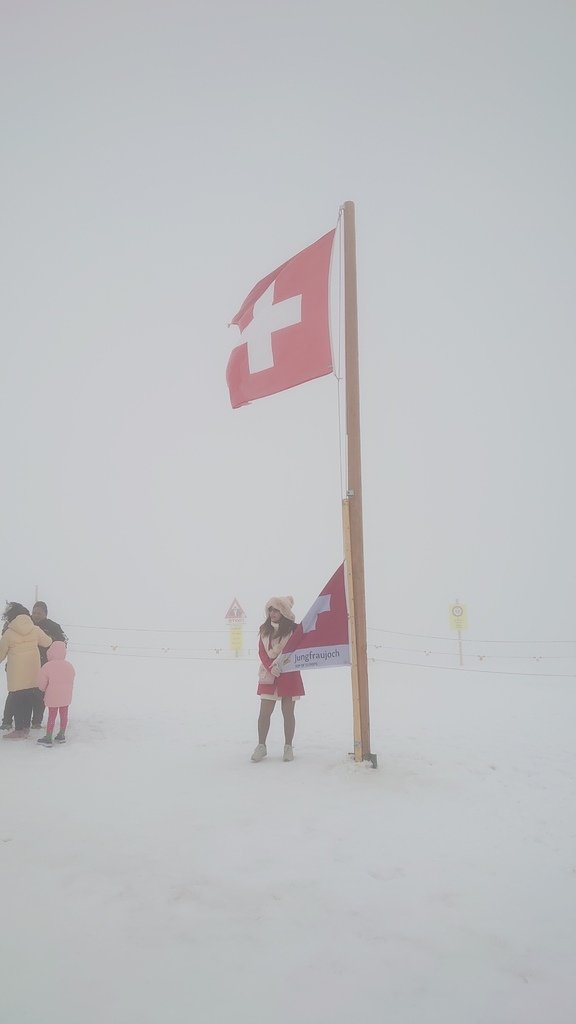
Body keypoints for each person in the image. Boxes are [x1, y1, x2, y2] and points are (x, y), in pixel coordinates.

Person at [251, 596, 304, 763]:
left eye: (276, 610)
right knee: (264, 713)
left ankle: (288, 747)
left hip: (289, 675)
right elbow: (261, 651)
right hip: (269, 676)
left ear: (284, 612)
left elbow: (298, 649)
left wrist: (283, 664)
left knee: (288, 713)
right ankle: (261, 746)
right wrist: (271, 667)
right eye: (270, 610)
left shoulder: (295, 630)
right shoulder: (264, 630)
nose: (272, 613)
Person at [1, 600, 67, 730]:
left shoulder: (52, 626)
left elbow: (60, 642)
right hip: (23, 666)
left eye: (39, 613)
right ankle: (8, 720)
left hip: (42, 666)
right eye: (34, 612)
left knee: (38, 695)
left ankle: (35, 721)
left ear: (46, 614)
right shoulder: (22, 624)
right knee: (15, 695)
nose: (36, 615)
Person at [36, 641, 76, 747]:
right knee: (64, 715)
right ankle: (61, 735)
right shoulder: (69, 666)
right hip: (66, 696)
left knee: (52, 716)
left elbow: (41, 684)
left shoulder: (47, 666)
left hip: (53, 696)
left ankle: (48, 737)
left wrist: (43, 689)